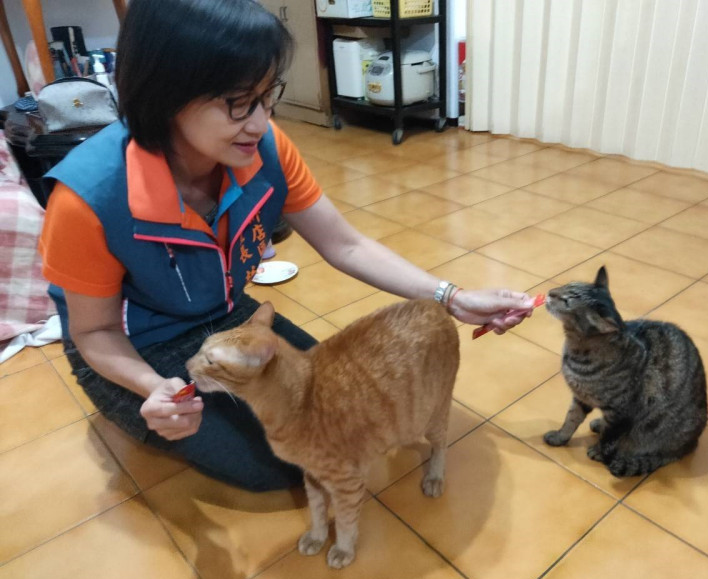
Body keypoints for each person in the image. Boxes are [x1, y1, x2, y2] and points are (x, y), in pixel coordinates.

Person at [38, 0, 535, 492]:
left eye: (265, 95)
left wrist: (453, 297)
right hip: (133, 348)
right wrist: (153, 390)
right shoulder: (89, 197)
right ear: (166, 93)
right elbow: (96, 331)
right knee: (280, 464)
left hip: (225, 319)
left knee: (341, 415)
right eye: (237, 101)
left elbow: (347, 245)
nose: (259, 121)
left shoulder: (262, 147)